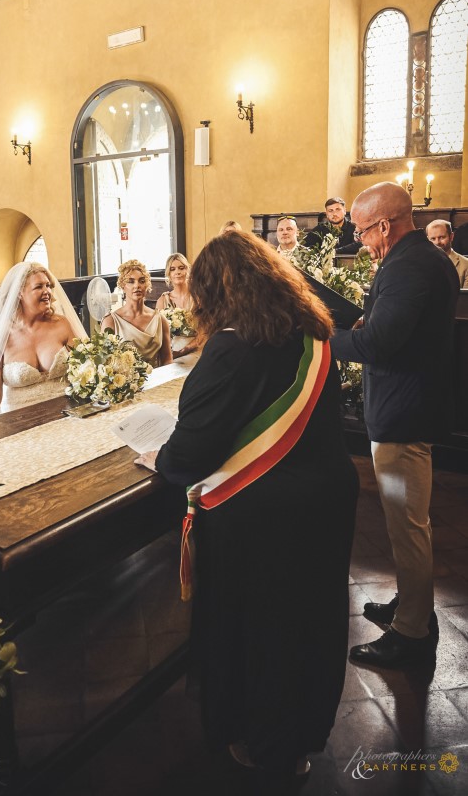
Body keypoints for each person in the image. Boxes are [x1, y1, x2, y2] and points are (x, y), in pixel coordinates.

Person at [142, 231, 358, 784]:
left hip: (262, 522)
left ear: (216, 291)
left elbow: (189, 454)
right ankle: (300, 737)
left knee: (262, 635)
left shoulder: (232, 349)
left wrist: (160, 458)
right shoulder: (311, 335)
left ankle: (265, 743)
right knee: (311, 622)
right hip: (327, 504)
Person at [331, 183, 459, 668]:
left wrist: (330, 338)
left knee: (407, 527)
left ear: (385, 224)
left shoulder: (408, 265)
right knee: (408, 524)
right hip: (409, 406)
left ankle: (411, 634)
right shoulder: (422, 259)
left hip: (403, 415)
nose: (361, 241)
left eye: (362, 231)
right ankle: (411, 605)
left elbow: (381, 345)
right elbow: (395, 330)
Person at [0, 262, 87, 414]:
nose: (47, 291)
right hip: (20, 420)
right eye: (39, 287)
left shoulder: (62, 325)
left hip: (67, 414)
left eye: (48, 286)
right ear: (19, 292)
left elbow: (87, 369)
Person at [102, 259, 172, 367]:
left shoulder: (160, 320)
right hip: (124, 382)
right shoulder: (111, 322)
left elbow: (167, 361)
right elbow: (106, 364)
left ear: (147, 285)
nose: (137, 285)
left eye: (142, 281)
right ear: (122, 286)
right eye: (131, 281)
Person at [156, 253, 198, 358]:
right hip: (172, 353)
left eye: (181, 268)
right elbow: (158, 336)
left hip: (197, 349)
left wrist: (183, 351)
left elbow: (206, 333)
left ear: (187, 270)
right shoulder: (162, 301)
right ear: (168, 274)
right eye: (172, 269)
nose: (177, 272)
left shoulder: (198, 298)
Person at [426, 219, 468, 287]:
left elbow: (465, 297)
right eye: (433, 239)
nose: (437, 242)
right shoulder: (420, 263)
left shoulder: (466, 265)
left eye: (441, 237)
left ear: (451, 236)